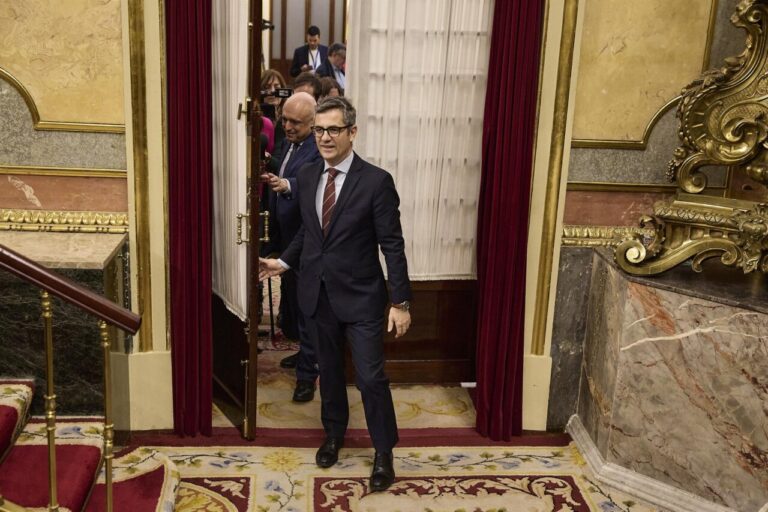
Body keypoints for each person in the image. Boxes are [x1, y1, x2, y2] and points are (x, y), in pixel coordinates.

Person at [259, 97, 412, 492]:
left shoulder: (376, 181)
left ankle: (383, 452)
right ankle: (333, 435)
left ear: (352, 132)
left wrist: (400, 302)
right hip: (317, 295)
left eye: (334, 130)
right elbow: (309, 232)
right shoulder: (309, 175)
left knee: (371, 378)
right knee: (327, 372)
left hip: (361, 299)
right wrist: (284, 262)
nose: (325, 137)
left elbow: (392, 245)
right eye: (320, 130)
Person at [261, 92, 322, 402]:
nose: (287, 126)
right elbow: (286, 169)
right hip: (285, 236)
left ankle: (307, 376)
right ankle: (303, 354)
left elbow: (311, 181)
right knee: (295, 304)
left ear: (313, 123)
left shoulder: (318, 148)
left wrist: (286, 185)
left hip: (306, 239)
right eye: (284, 119)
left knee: (308, 310)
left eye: (296, 122)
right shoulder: (289, 142)